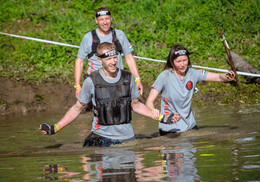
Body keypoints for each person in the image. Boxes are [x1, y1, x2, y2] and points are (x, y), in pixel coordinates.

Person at [39, 42, 181, 147]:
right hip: (101, 137)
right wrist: (55, 128)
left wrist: (163, 118)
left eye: (115, 58)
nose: (113, 62)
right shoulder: (91, 81)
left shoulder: (128, 78)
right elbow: (77, 108)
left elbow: (136, 106)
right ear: (100, 60)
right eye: (108, 59)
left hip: (127, 137)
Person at [146, 43, 235, 136]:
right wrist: (153, 110)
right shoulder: (164, 76)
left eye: (185, 60)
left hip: (190, 126)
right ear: (172, 62)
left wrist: (226, 76)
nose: (182, 64)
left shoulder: (193, 74)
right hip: (170, 128)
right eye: (178, 61)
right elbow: (149, 102)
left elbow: (218, 77)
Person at [74, 7, 143, 98]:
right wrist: (77, 85)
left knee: (123, 107)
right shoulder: (88, 38)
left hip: (117, 80)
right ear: (96, 21)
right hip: (96, 81)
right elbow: (79, 61)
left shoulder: (120, 35)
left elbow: (129, 58)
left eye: (107, 18)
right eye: (101, 19)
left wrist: (137, 79)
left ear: (111, 19)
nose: (105, 22)